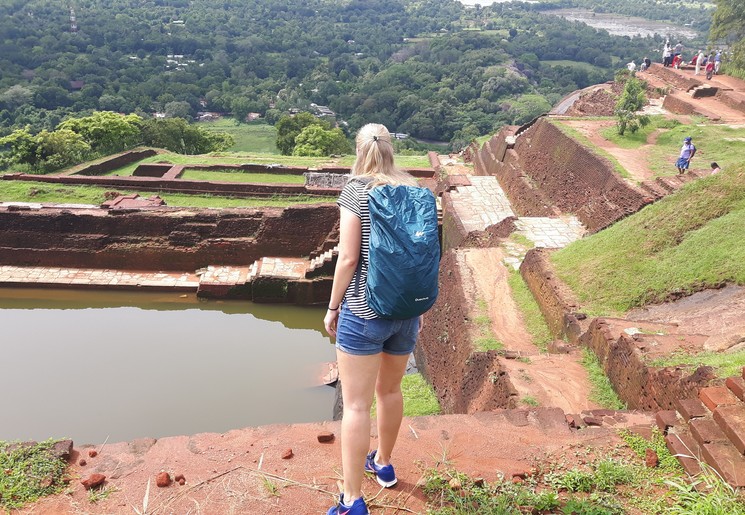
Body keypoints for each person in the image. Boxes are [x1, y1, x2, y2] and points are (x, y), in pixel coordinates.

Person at [324, 123, 425, 515]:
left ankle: (352, 500)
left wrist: (333, 307)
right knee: (391, 391)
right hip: (406, 310)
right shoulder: (415, 189)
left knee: (355, 406)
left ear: (359, 149)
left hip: (365, 311)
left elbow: (348, 258)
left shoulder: (356, 190)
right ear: (391, 149)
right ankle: (383, 463)